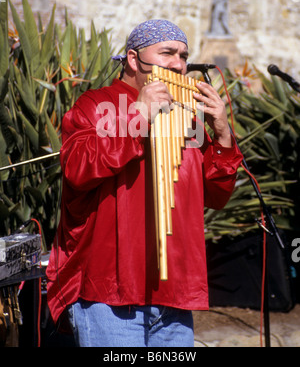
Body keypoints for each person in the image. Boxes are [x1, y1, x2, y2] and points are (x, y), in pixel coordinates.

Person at [46, 19, 243, 347]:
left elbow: (216, 196)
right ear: (134, 59)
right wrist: (139, 115)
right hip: (109, 294)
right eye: (167, 53)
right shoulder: (94, 105)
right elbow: (77, 170)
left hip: (174, 291)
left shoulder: (188, 117)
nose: (178, 64)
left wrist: (222, 134)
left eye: (183, 55)